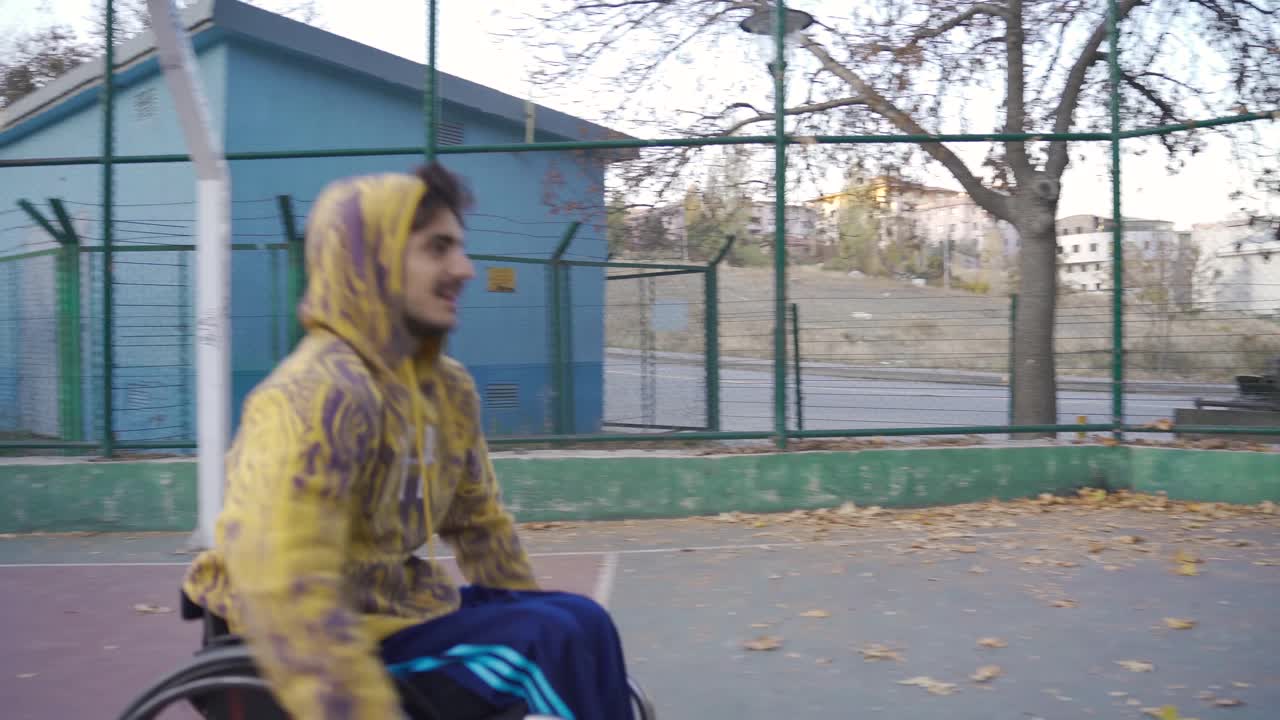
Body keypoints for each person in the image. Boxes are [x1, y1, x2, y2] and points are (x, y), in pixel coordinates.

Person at [181, 163, 635, 720]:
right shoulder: (315, 394)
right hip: (286, 641)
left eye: (460, 248)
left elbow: (479, 524)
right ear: (369, 261)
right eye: (437, 248)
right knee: (541, 650)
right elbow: (284, 589)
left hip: (394, 613)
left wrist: (527, 605)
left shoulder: (446, 389)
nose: (464, 269)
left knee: (578, 623)